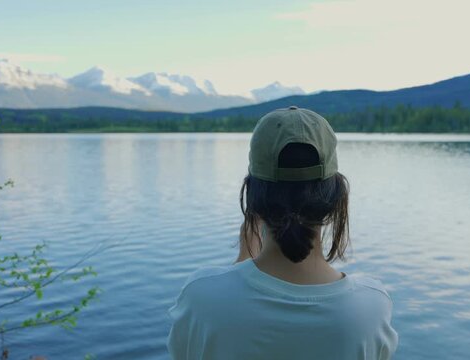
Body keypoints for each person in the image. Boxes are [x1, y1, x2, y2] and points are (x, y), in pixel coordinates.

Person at [167, 106, 398, 360]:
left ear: (252, 196)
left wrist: (242, 265)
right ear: (336, 198)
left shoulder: (202, 298)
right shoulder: (372, 308)